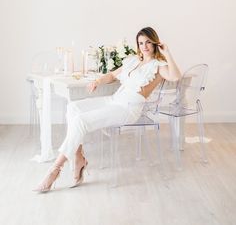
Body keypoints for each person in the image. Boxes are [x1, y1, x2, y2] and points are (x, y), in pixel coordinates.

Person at [34, 27, 181, 192]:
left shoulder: (159, 65)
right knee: (73, 107)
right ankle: (78, 156)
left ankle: (55, 170)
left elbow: (176, 76)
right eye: (140, 43)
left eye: (148, 42)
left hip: (128, 108)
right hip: (114, 100)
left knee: (81, 121)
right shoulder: (133, 60)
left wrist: (167, 52)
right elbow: (112, 75)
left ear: (155, 42)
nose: (144, 46)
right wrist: (98, 81)